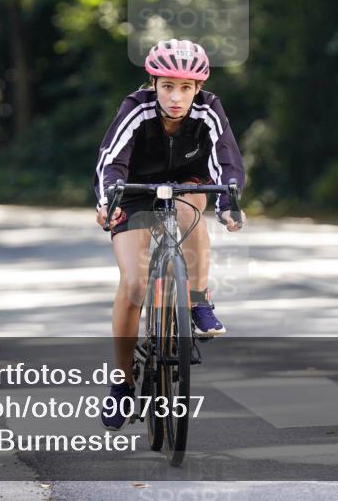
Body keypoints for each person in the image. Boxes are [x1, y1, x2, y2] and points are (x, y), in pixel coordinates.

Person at [93, 38, 246, 430]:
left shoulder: (209, 110)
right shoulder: (136, 109)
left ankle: (197, 299)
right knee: (132, 285)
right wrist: (107, 201)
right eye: (167, 87)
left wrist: (229, 202)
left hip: (185, 182)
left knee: (189, 207)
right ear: (153, 84)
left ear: (198, 89)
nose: (176, 97)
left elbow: (225, 156)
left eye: (185, 88)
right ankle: (123, 383)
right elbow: (111, 160)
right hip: (136, 190)